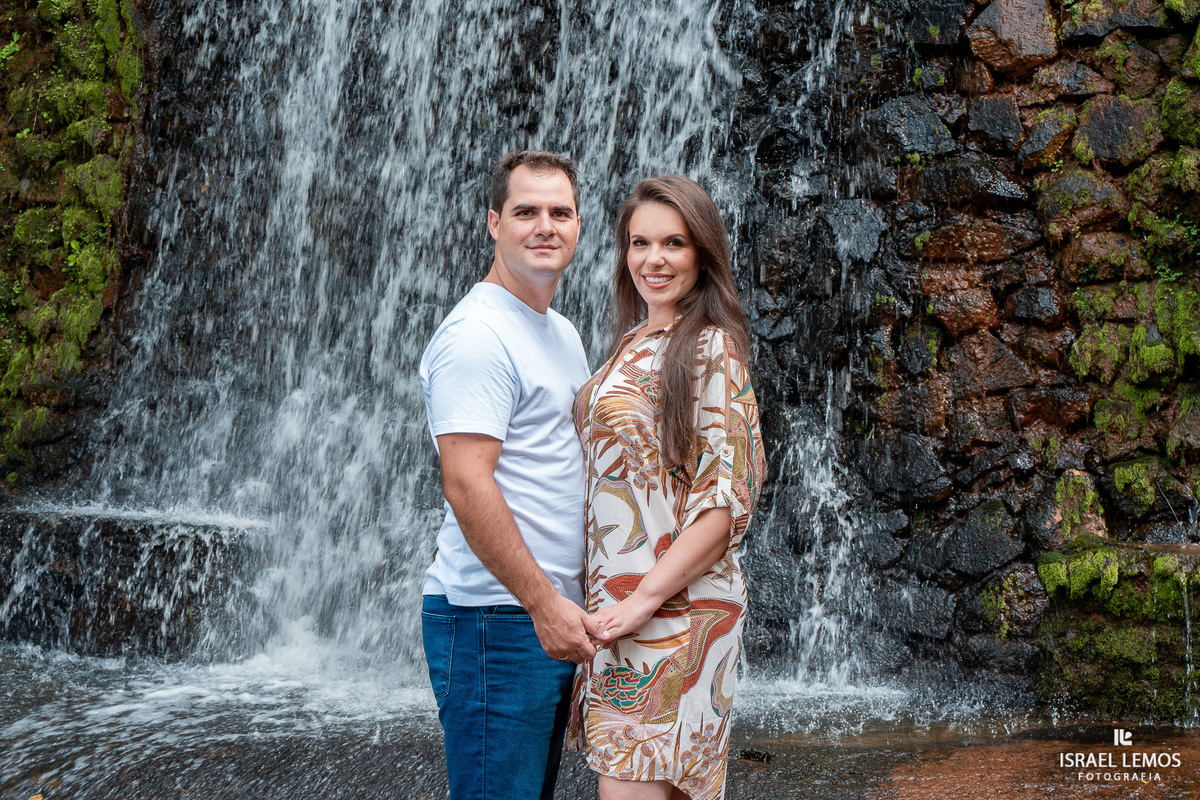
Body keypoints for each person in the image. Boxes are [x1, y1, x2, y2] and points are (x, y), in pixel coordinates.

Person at [567, 175, 766, 800]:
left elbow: (725, 500)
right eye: (639, 243)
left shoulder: (711, 349)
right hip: (625, 609)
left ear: (702, 253)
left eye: (673, 244)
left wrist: (643, 599)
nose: (653, 260)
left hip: (671, 607)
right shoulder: (633, 343)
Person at [419, 150, 603, 800]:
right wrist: (544, 603)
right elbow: (466, 483)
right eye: (526, 211)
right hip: (496, 619)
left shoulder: (561, 332)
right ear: (493, 222)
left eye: (561, 212)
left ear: (580, 225)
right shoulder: (478, 335)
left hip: (543, 615)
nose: (545, 225)